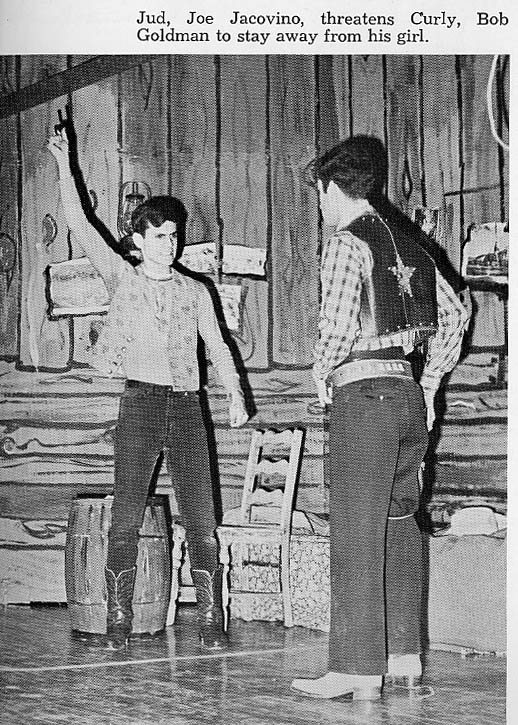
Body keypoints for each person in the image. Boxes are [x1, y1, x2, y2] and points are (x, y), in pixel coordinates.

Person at [48, 129, 248, 651]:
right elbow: (80, 224)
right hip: (140, 404)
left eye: (174, 235)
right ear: (138, 241)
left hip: (188, 408)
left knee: (201, 519)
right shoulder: (123, 277)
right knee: (126, 518)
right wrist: (65, 164)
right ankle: (118, 621)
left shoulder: (196, 290)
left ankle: (211, 620)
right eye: (159, 236)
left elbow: (218, 343)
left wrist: (234, 393)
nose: (169, 244)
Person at [291, 136, 470, 701]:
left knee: (355, 529)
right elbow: (456, 315)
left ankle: (356, 668)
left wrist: (320, 371)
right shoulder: (412, 245)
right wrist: (430, 382)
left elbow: (339, 323)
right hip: (407, 396)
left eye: (319, 192)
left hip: (363, 397)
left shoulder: (346, 243)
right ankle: (403, 657)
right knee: (399, 521)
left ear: (330, 188)